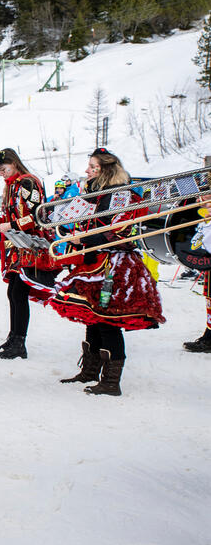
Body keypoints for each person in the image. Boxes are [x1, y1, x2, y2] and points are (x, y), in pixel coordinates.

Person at [50, 148, 165, 395]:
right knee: (91, 317)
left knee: (107, 321)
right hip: (93, 259)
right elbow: (73, 221)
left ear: (105, 170)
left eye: (92, 167)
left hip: (114, 263)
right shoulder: (92, 193)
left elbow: (119, 231)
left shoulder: (120, 195)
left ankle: (111, 382)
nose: (86, 171)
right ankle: (90, 371)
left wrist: (85, 240)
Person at [0, 148, 59, 360]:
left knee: (18, 293)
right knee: (13, 292)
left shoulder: (28, 183)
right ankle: (13, 338)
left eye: (3, 168)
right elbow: (9, 216)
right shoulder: (11, 186)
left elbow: (37, 216)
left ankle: (19, 342)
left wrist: (11, 224)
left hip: (30, 245)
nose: (1, 173)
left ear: (14, 163)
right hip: (17, 245)